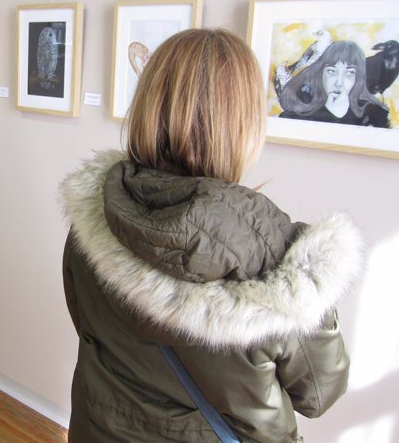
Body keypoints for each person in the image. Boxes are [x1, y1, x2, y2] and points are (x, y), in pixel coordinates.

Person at [59, 29, 363, 442]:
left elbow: (88, 321)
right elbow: (320, 392)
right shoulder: (273, 258)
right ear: (243, 124)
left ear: (147, 105)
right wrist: (313, 280)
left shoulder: (99, 211)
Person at [278, 40, 390, 127]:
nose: (339, 83)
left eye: (349, 73)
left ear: (358, 77)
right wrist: (330, 115)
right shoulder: (297, 111)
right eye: (332, 71)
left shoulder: (375, 114)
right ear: (321, 73)